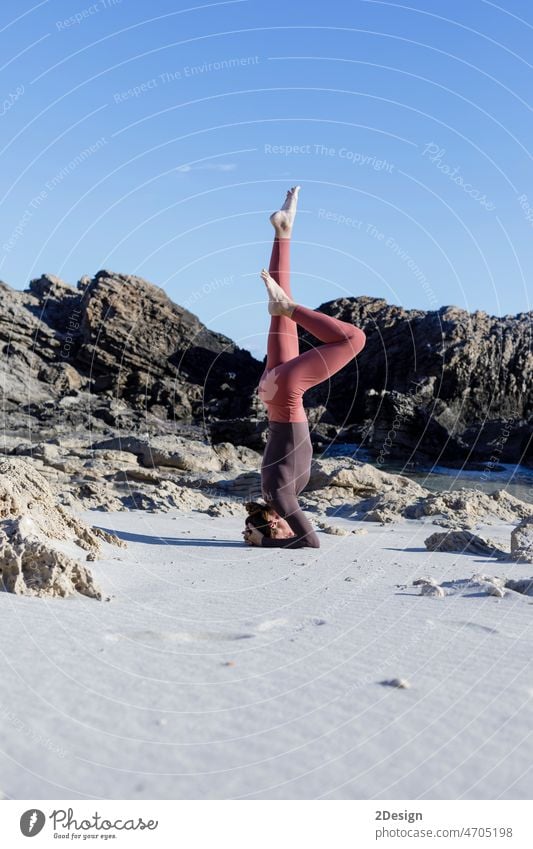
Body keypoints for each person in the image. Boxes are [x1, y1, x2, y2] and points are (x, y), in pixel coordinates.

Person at [243, 186, 366, 549]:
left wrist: (263, 543)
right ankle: (283, 229)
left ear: (275, 525)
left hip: (286, 395)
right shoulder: (273, 493)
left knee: (353, 340)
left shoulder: (281, 500)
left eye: (276, 533)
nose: (287, 531)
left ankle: (290, 305)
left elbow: (309, 542)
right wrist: (258, 534)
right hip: (271, 391)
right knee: (282, 303)